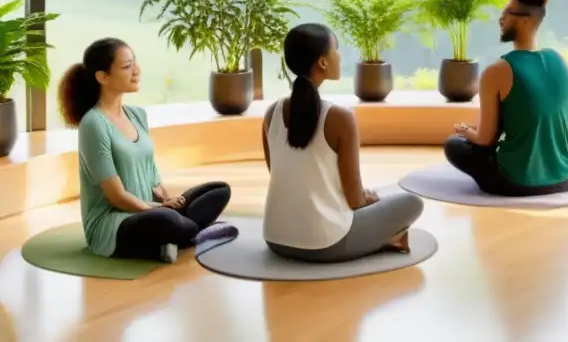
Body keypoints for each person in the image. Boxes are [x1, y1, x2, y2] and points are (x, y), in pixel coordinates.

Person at [59, 38, 232, 264]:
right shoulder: (93, 124)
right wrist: (158, 209)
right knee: (167, 219)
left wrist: (170, 199)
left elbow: (153, 179)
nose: (137, 70)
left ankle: (176, 237)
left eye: (135, 63)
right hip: (113, 222)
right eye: (127, 66)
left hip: (149, 209)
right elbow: (116, 196)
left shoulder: (137, 115)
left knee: (218, 191)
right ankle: (189, 235)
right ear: (103, 77)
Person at [262, 22, 424, 262]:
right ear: (323, 62)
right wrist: (366, 200)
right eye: (335, 50)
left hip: (275, 238)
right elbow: (355, 201)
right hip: (325, 243)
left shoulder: (270, 114)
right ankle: (383, 239)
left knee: (379, 196)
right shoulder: (340, 118)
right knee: (411, 202)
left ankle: (381, 238)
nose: (339, 56)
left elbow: (282, 176)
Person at [443, 0, 568, 196]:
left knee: (455, 144)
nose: (501, 19)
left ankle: (518, 172)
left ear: (526, 21)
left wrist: (466, 131)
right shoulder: (564, 63)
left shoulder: (496, 71)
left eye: (507, 13)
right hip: (564, 178)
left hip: (512, 183)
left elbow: (485, 139)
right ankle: (561, 171)